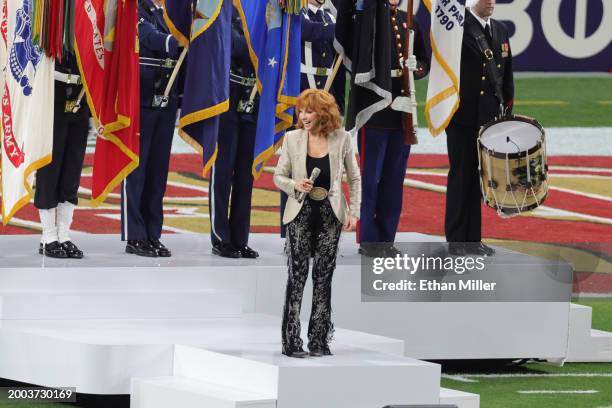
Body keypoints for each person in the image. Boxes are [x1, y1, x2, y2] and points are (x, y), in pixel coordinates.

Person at [274, 89, 361, 358]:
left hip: (330, 215)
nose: (303, 116)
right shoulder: (292, 139)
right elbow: (278, 176)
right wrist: (294, 185)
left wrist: (354, 212)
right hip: (300, 213)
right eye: (301, 111)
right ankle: (291, 340)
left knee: (323, 278)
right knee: (297, 277)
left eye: (309, 111)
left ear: (323, 114)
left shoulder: (343, 138)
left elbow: (355, 179)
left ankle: (319, 339)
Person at [357, 0, 429, 257]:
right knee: (370, 179)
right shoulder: (369, 19)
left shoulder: (410, 21)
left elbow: (424, 60)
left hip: (402, 112)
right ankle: (368, 239)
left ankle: (386, 238)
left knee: (393, 180)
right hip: (375, 112)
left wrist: (416, 68)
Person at [445, 0, 513, 256]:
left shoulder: (500, 30)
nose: (491, 2)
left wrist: (507, 108)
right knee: (461, 176)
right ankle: (456, 239)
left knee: (479, 180)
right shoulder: (457, 30)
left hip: (488, 119)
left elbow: (506, 73)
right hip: (463, 117)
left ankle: (473, 239)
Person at [280, 0, 346, 238]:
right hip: (301, 98)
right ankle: (293, 227)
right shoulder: (297, 12)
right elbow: (308, 31)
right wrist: (343, 29)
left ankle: (317, 228)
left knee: (324, 167)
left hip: (325, 100)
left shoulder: (329, 17)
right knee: (297, 166)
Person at [121, 0, 181, 257]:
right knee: (136, 169)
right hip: (141, 99)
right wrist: (179, 41)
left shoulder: (170, 11)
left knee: (158, 172)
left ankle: (153, 233)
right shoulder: (133, 8)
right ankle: (135, 236)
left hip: (166, 100)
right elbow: (148, 37)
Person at [209, 7, 259, 259]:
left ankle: (240, 237)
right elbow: (235, 45)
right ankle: (220, 236)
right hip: (227, 96)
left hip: (254, 96)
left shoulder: (262, 10)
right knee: (223, 170)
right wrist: (261, 39)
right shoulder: (224, 7)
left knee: (245, 173)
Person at [35, 53, 90, 259]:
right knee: (50, 168)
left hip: (81, 95)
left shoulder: (86, 21)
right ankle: (48, 235)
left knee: (72, 170)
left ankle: (63, 234)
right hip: (52, 94)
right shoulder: (48, 20)